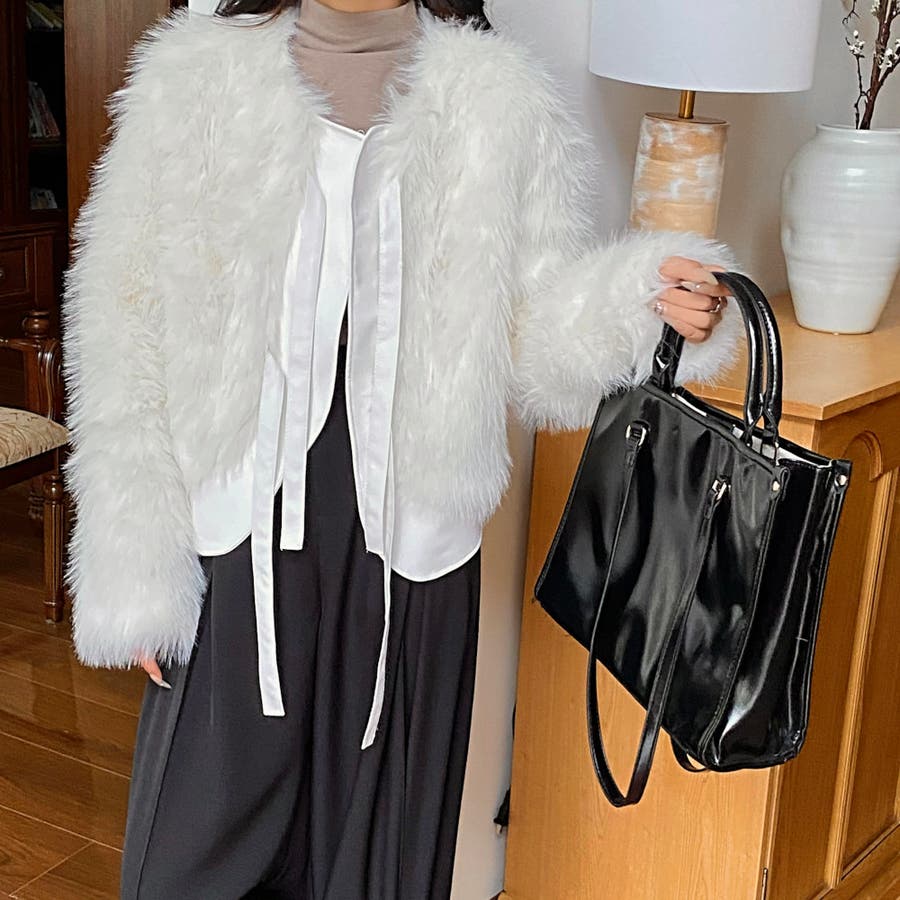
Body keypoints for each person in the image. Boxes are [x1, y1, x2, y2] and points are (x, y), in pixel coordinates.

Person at [60, 0, 741, 896]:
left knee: (378, 854)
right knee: (192, 856)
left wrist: (641, 301)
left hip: (408, 542)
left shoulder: (495, 99)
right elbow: (124, 320)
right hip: (235, 529)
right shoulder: (195, 77)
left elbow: (530, 329)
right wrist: (132, 562)